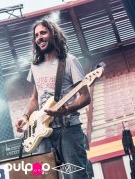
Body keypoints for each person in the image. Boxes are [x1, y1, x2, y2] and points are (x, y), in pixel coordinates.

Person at [15, 19, 92, 179]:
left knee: (76, 176)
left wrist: (67, 109)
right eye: (36, 35)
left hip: (68, 128)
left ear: (54, 34)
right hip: (41, 134)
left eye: (43, 33)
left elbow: (85, 97)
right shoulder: (35, 66)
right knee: (43, 176)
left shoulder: (70, 61)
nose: (39, 38)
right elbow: (35, 99)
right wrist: (25, 116)